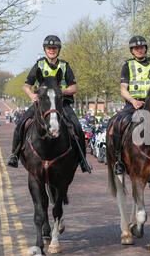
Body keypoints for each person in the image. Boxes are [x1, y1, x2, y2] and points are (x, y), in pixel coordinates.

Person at [7, 35, 90, 173]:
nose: (52, 50)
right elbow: (26, 86)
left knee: (77, 127)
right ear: (45, 50)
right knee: (21, 123)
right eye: (49, 48)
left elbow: (73, 88)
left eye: (54, 48)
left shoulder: (64, 66)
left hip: (62, 104)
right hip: (42, 105)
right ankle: (14, 154)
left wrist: (57, 91)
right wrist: (32, 95)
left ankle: (82, 160)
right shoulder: (39, 64)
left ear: (58, 50)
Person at [112, 35, 150, 175]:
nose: (140, 50)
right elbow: (123, 88)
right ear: (132, 51)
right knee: (118, 123)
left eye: (142, 47)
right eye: (136, 48)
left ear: (146, 48)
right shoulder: (127, 65)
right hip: (134, 104)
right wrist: (133, 101)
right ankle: (118, 160)